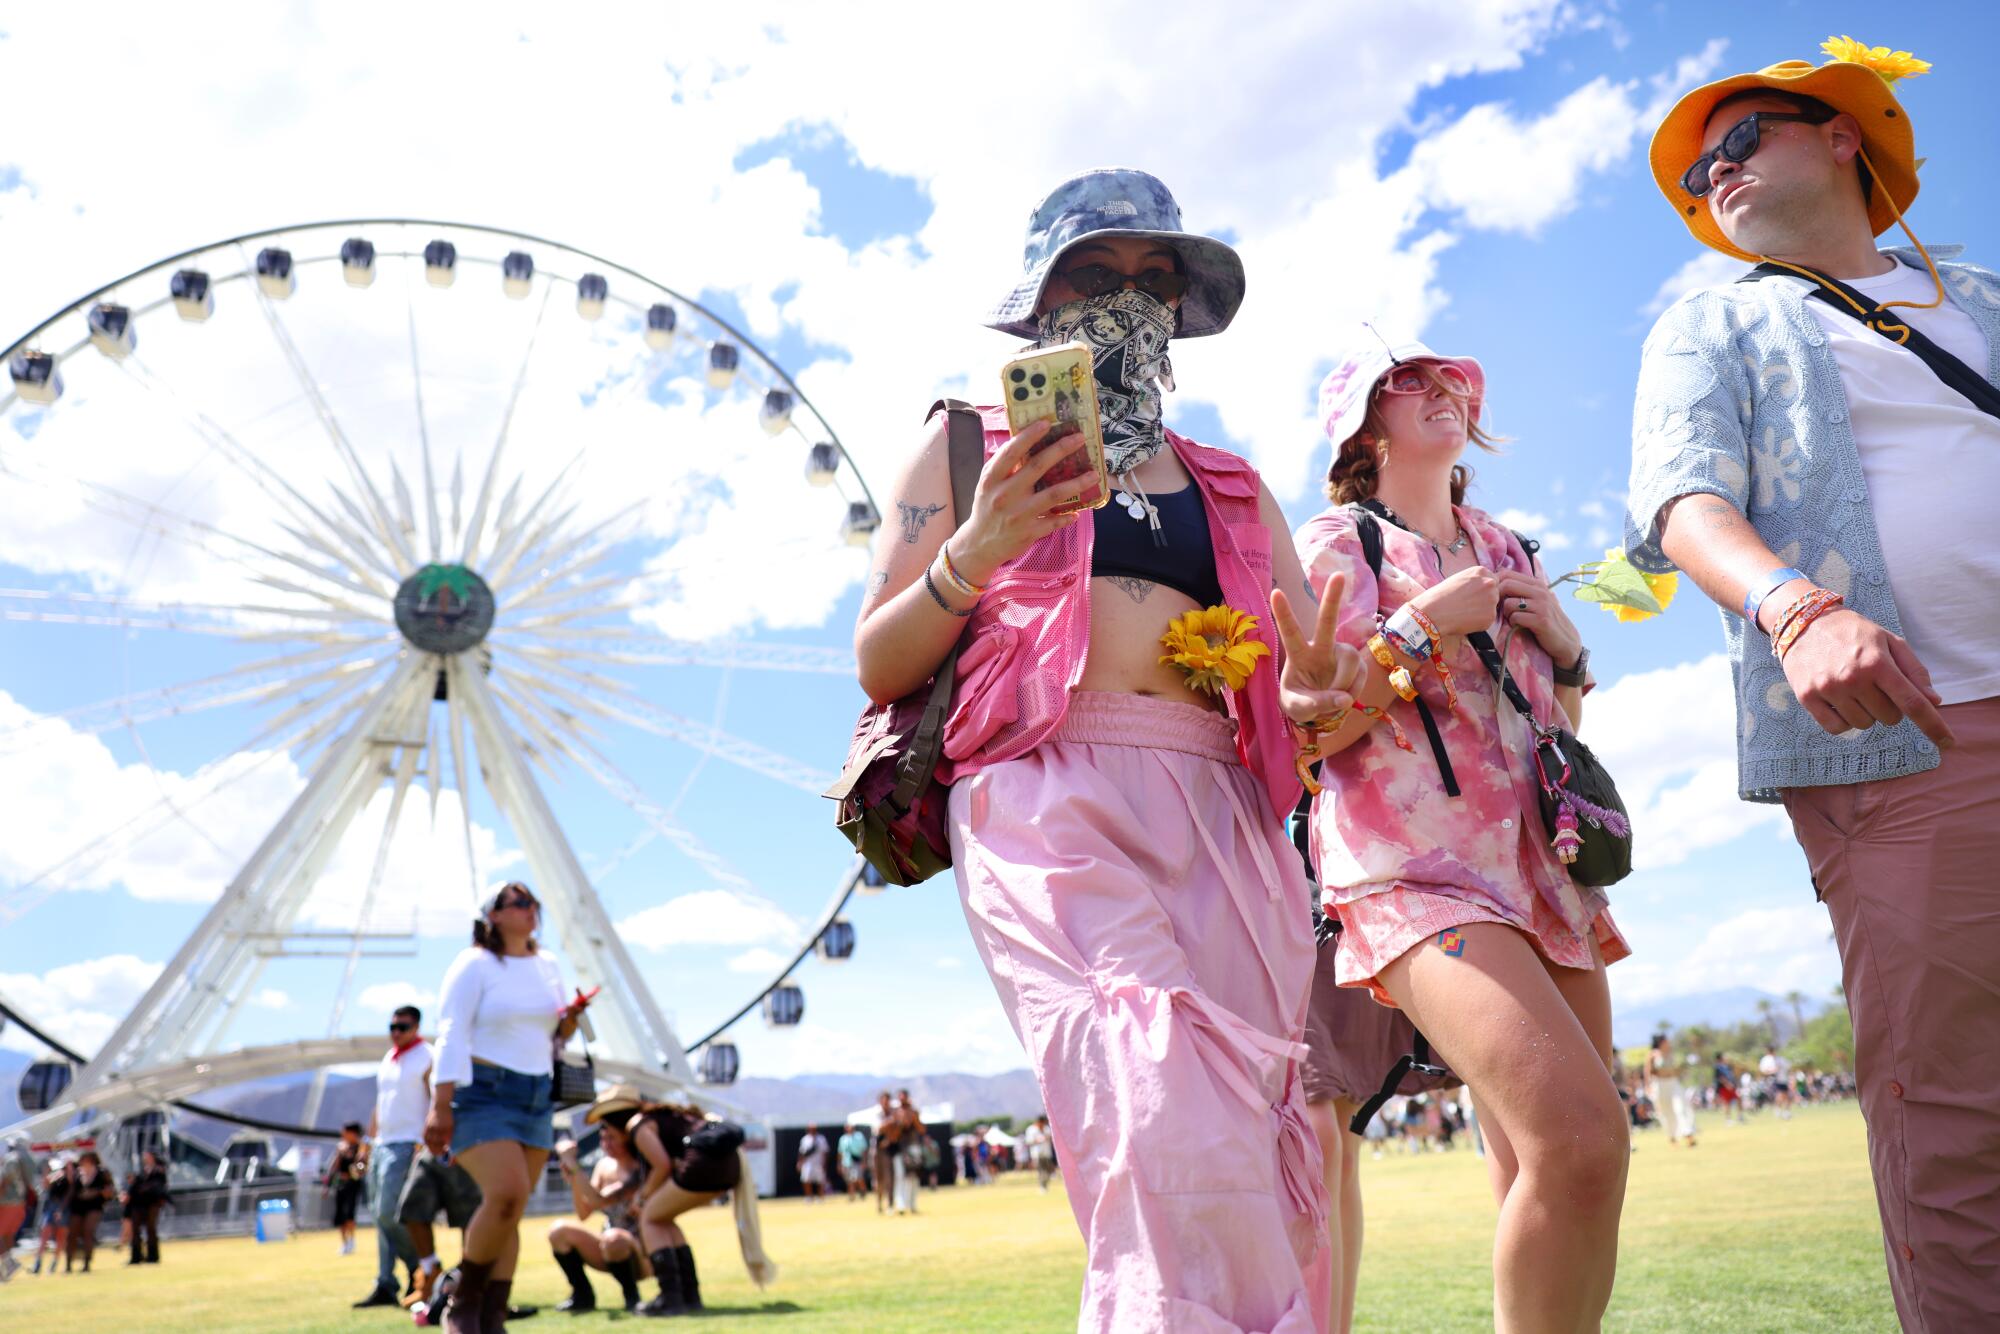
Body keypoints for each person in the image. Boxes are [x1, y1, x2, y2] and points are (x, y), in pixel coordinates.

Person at [854, 165, 1361, 1331]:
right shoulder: (966, 448)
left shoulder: (1231, 487)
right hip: (1045, 791)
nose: (1125, 295)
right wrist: (977, 547)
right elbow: (881, 660)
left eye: (1151, 276)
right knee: (1152, 1097)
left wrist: (1323, 694)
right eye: (1093, 270)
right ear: (1038, 299)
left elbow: (1300, 681)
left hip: (1223, 808)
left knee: (1254, 1113)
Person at [1626, 37, 2000, 1327]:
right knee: (1956, 1112)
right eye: (1699, 167)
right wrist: (1791, 604)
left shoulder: (1986, 296)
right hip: (1907, 745)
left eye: (1742, 140)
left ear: (1841, 134)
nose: (1716, 171)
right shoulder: (1712, 319)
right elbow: (1678, 498)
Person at [1300, 329, 1631, 1331]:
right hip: (1410, 868)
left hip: (1544, 869)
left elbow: (1549, 731)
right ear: (1364, 429)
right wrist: (1417, 626)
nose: (1437, 388)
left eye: (1445, 376)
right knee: (1582, 1141)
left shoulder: (1509, 547)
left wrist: (1568, 651)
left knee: (1545, 1170)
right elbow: (1314, 732)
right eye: (1404, 381)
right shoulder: (1333, 545)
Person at [425, 881, 595, 1333]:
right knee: (507, 1193)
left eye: (533, 903)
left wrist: (571, 1019)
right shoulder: (474, 964)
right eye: (518, 903)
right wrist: (440, 1104)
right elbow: (452, 1032)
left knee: (509, 1209)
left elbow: (554, 1038)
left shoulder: (547, 965)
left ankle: (492, 1317)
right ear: (493, 915)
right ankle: (462, 1305)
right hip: (484, 1093)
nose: (530, 910)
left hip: (537, 1094)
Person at [583, 1086, 775, 1318]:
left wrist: (642, 1199)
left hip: (701, 1166)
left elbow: (661, 1164)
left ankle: (670, 1299)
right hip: (728, 1168)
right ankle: (689, 1295)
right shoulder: (664, 1116)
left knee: (650, 1219)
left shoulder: (638, 1125)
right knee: (662, 1219)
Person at [355, 1004, 432, 1307]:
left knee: (390, 1212)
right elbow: (381, 1104)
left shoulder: (428, 1055)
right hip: (382, 1144)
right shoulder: (389, 1058)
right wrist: (367, 1143)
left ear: (416, 1028)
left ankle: (421, 1267)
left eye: (403, 1027)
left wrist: (427, 1142)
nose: (396, 1032)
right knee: (379, 1215)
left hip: (408, 1143)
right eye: (392, 1027)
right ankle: (386, 1282)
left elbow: (435, 1099)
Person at [548, 1093, 650, 1315]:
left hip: (640, 1253)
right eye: (603, 1139)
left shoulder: (641, 1168)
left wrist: (573, 1164)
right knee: (559, 1231)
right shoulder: (604, 1166)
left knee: (615, 1237)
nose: (607, 1144)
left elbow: (600, 1199)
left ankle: (631, 1296)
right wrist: (574, 1179)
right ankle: (582, 1295)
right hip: (607, 1247)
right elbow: (584, 1212)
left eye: (612, 1138)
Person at [397, 1149, 483, 1315]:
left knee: (471, 1217)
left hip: (468, 1143)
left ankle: (468, 1283)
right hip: (433, 1149)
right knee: (411, 1207)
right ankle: (430, 1272)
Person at [325, 1123, 369, 1256]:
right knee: (340, 1214)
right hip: (341, 1183)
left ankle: (351, 1240)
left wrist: (358, 1166)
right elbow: (334, 1166)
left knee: (350, 1213)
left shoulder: (361, 1148)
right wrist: (327, 1185)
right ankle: (344, 1242)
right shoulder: (341, 1147)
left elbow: (363, 1167)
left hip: (354, 1183)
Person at [65, 1150, 112, 1274]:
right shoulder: (77, 1173)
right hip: (78, 1206)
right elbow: (72, 1191)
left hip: (94, 1205)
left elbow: (108, 1189)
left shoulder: (101, 1173)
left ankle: (86, 1263)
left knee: (88, 1232)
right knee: (72, 1234)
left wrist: (96, 1192)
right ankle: (69, 1263)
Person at [120, 1148, 167, 1266]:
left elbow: (157, 1186)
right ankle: (136, 1256)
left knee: (151, 1229)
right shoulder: (142, 1171)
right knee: (135, 1230)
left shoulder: (158, 1171)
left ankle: (153, 1256)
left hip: (152, 1202)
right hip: (138, 1203)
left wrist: (143, 1187)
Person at [1647, 1035, 1696, 1147]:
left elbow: (1678, 1069)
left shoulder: (1672, 1053)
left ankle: (1687, 1133)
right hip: (1660, 1085)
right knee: (1666, 1112)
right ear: (1661, 1042)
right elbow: (1648, 1071)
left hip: (1673, 1083)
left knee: (1680, 1107)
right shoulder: (1653, 1054)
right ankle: (1672, 1137)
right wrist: (1648, 1086)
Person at [0, 1136, 35, 1281]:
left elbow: (5, 1181)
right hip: (20, 1203)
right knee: (7, 1235)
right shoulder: (30, 1160)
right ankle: (7, 1268)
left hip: (6, 1202)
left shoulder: (11, 1159)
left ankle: (9, 1264)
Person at [32, 1156, 71, 1275]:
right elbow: (45, 1185)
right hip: (51, 1207)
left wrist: (68, 1168)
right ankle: (38, 1263)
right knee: (45, 1234)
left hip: (64, 1208)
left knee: (61, 1237)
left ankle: (54, 1263)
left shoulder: (68, 1177)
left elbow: (70, 1189)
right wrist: (47, 1171)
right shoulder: (53, 1176)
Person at [893, 1092, 923, 1214]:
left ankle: (912, 1204)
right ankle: (901, 1204)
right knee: (900, 1176)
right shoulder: (895, 1113)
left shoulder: (914, 1112)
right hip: (900, 1149)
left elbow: (922, 1129)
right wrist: (900, 1123)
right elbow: (894, 1135)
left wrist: (913, 1117)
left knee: (913, 1177)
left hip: (913, 1148)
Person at [870, 1091, 898, 1216]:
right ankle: (879, 1204)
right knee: (878, 1179)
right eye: (883, 1100)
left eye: (887, 1100)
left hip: (889, 1151)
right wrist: (890, 1122)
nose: (886, 1103)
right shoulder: (877, 1114)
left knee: (889, 1179)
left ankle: (890, 1204)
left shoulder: (894, 1113)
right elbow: (878, 1129)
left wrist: (889, 1137)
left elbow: (897, 1131)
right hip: (877, 1150)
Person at [1758, 1047, 1795, 1122]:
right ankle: (1777, 1109)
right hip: (1773, 1081)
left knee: (1787, 1096)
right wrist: (1772, 1071)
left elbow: (1788, 1066)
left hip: (1783, 1080)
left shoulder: (1780, 1059)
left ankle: (1786, 1112)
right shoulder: (1766, 1060)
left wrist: (1791, 1077)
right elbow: (1763, 1071)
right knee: (1780, 1095)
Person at [795, 1124, 829, 1202]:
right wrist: (800, 1162)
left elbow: (825, 1152)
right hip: (807, 1163)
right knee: (806, 1180)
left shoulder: (821, 1139)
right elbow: (801, 1152)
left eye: (814, 1129)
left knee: (820, 1181)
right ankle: (809, 1197)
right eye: (810, 1129)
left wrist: (824, 1163)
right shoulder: (805, 1139)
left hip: (818, 1163)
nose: (812, 1130)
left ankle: (820, 1197)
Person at [836, 1123, 869, 1203]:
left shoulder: (859, 1136)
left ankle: (863, 1192)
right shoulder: (843, 1139)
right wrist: (839, 1164)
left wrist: (864, 1161)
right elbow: (840, 1152)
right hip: (846, 1162)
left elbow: (864, 1150)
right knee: (849, 1180)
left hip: (857, 1161)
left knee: (859, 1178)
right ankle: (852, 1195)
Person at [1023, 1117, 1056, 1193]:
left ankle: (1045, 1184)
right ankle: (1042, 1186)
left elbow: (1051, 1138)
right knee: (1041, 1170)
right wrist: (1037, 1141)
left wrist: (1047, 1138)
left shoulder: (1047, 1128)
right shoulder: (1031, 1129)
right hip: (1036, 1154)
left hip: (1047, 1153)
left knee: (1048, 1171)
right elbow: (1028, 1142)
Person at [1713, 1053, 1745, 1125]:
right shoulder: (1717, 1067)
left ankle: (1740, 1116)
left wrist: (1735, 1084)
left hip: (1732, 1087)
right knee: (1727, 1103)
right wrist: (1727, 1084)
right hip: (1724, 1087)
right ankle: (1728, 1119)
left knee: (1739, 1099)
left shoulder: (1728, 1067)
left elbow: (1732, 1076)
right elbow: (1719, 1077)